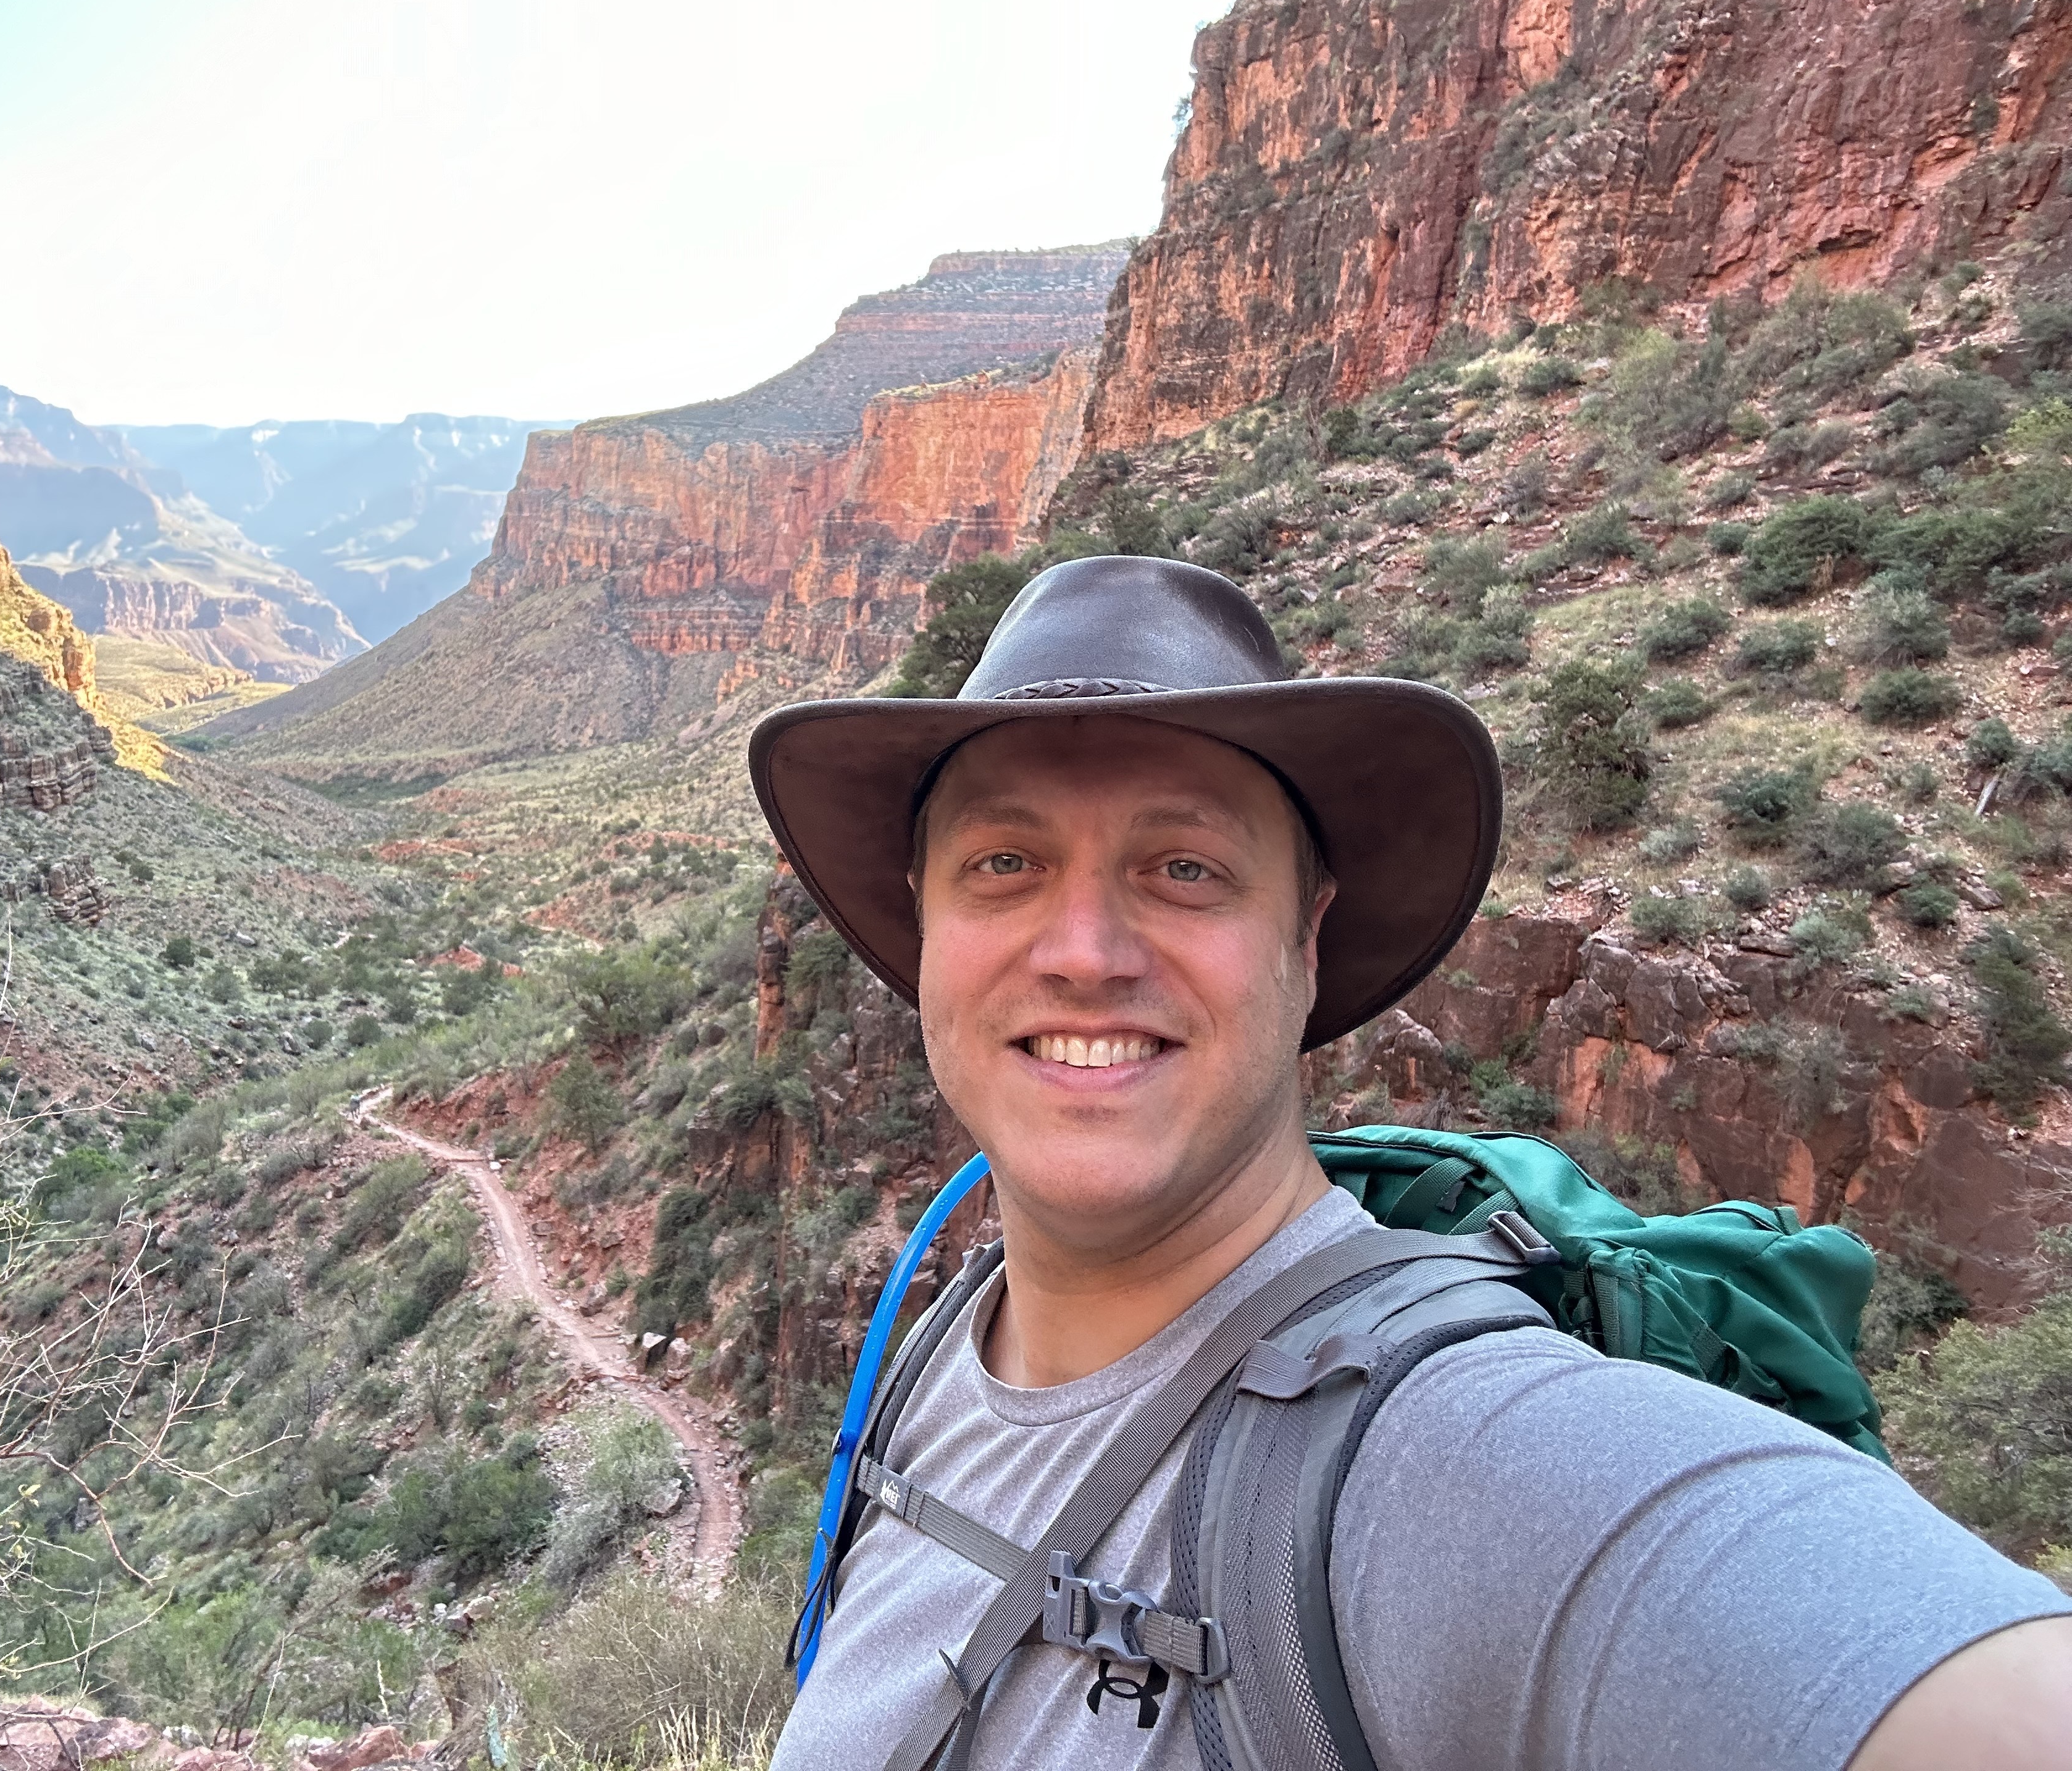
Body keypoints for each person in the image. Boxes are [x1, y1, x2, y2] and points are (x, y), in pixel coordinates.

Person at [746, 556, 2072, 1770]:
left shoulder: (1457, 1459)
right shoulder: (930, 1359)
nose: (1085, 948)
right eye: (1005, 862)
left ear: (1304, 939)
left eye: (1187, 867)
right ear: (927, 923)